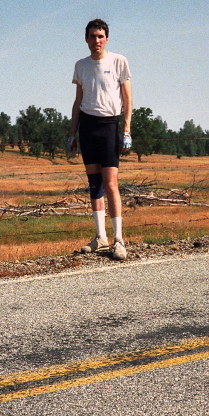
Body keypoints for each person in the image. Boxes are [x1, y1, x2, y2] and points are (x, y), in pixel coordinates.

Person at [68, 18, 132, 261]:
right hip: (87, 126)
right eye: (92, 36)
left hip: (109, 125)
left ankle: (118, 240)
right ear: (86, 39)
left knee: (111, 184)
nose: (96, 40)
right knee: (94, 184)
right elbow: (77, 101)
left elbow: (127, 99)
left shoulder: (118, 61)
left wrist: (126, 131)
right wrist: (72, 133)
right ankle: (100, 237)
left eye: (100, 36)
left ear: (107, 38)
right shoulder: (81, 66)